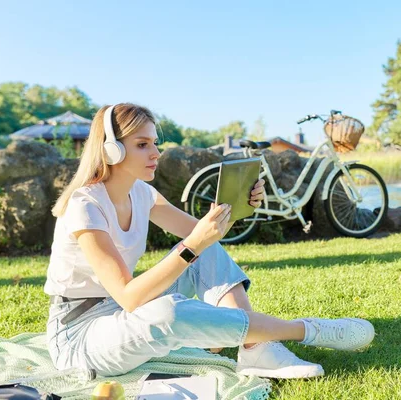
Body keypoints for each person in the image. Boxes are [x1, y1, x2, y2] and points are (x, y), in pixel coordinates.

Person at [44, 103, 375, 380]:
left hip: (121, 315)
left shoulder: (141, 193)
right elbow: (129, 297)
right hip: (80, 336)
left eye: (155, 143)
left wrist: (238, 207)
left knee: (206, 250)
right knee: (168, 313)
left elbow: (204, 234)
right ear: (111, 149)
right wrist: (193, 244)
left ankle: (254, 350)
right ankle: (305, 330)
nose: (156, 153)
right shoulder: (85, 205)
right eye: (142, 144)